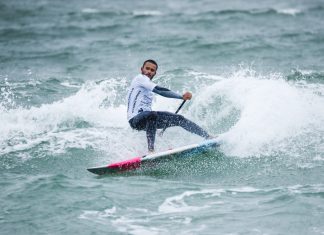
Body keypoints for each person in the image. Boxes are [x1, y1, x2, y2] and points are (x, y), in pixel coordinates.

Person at [127, 59, 213, 153]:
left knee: (179, 119)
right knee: (152, 115)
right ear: (141, 69)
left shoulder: (148, 88)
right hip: (135, 120)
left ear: (155, 73)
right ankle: (151, 150)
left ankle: (208, 136)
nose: (149, 72)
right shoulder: (140, 78)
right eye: (147, 68)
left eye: (152, 70)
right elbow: (160, 90)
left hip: (146, 119)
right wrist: (181, 96)